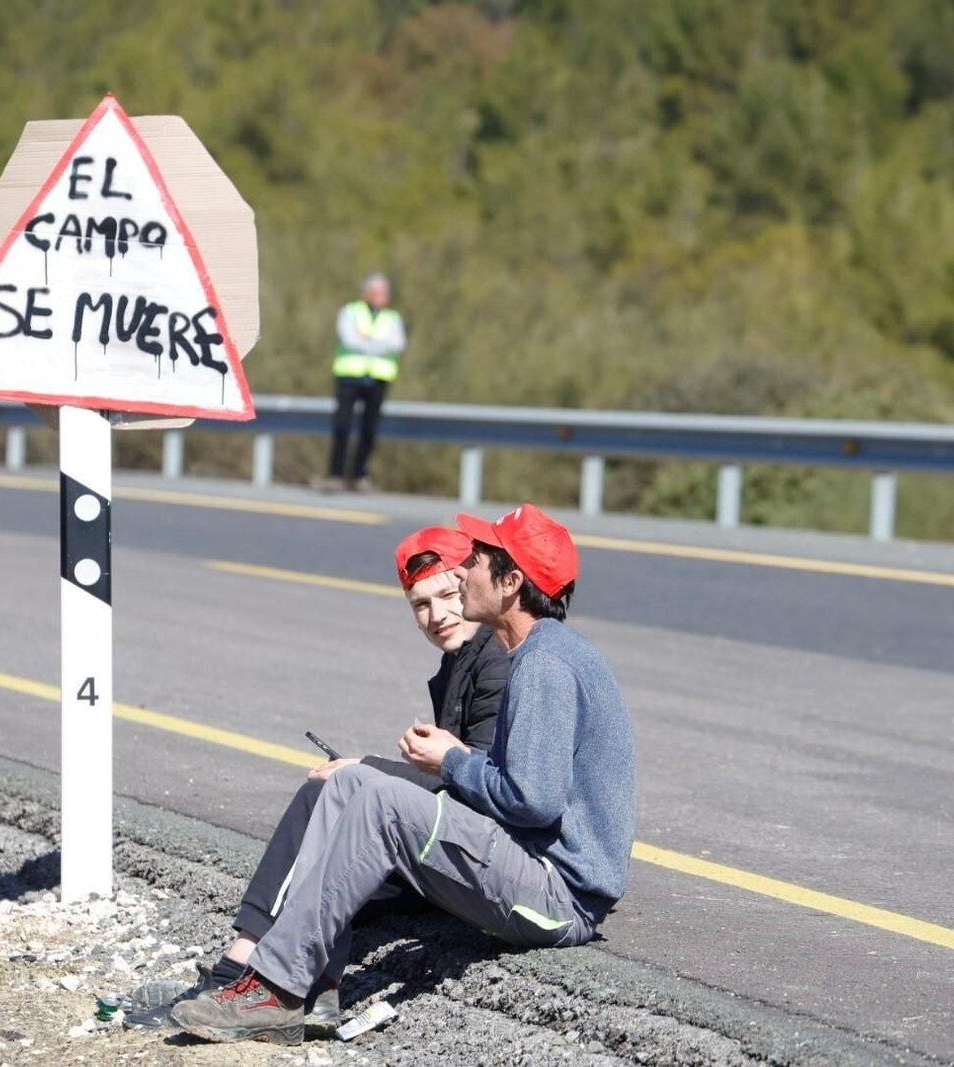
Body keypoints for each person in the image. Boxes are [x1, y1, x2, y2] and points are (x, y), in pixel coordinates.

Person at [169, 504, 637, 1046]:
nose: (464, 571)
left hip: (559, 898)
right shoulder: (540, 653)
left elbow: (534, 802)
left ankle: (273, 989)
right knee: (347, 784)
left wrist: (451, 761)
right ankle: (314, 986)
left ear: (511, 583)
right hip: (531, 870)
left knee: (384, 801)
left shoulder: (544, 666)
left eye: (479, 559)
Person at [123, 525, 510, 1030]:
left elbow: (479, 785)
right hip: (458, 850)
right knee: (329, 842)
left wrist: (366, 769)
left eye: (447, 594)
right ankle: (300, 991)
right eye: (419, 604)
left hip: (487, 865)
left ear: (472, 583)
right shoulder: (459, 664)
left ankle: (236, 972)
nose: (437, 615)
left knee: (327, 792)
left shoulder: (495, 661)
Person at [321, 273, 406, 493]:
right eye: (378, 292)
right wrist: (379, 343)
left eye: (385, 292)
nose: (382, 296)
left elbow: (397, 344)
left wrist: (366, 340)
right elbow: (349, 339)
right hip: (349, 375)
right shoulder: (350, 312)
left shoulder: (393, 317)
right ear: (366, 293)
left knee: (369, 429)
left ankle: (359, 475)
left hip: (378, 377)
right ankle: (336, 475)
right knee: (342, 426)